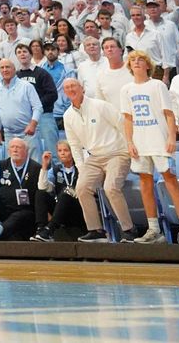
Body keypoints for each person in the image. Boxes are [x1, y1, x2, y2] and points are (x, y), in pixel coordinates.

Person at [120, 50, 179, 244]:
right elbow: (127, 119)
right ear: (129, 66)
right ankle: (153, 229)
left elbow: (169, 114)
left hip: (160, 140)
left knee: (170, 181)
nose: (136, 62)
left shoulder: (158, 85)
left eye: (140, 59)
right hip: (140, 141)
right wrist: (129, 142)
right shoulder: (126, 89)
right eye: (133, 60)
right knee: (145, 184)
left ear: (148, 65)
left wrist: (172, 137)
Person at [60, 77, 132, 242]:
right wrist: (81, 168)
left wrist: (130, 149)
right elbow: (75, 145)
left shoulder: (100, 106)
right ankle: (96, 230)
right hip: (94, 158)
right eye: (67, 88)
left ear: (82, 88)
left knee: (111, 187)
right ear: (64, 93)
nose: (71, 89)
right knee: (82, 188)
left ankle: (128, 229)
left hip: (117, 153)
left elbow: (122, 125)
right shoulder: (67, 115)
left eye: (74, 86)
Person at [33, 141, 85, 242]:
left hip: (78, 209)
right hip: (60, 210)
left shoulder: (81, 168)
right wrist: (44, 167)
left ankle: (49, 230)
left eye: (65, 150)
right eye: (59, 150)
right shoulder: (56, 170)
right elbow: (42, 187)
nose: (62, 153)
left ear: (73, 152)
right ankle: (41, 229)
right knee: (40, 193)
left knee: (66, 194)